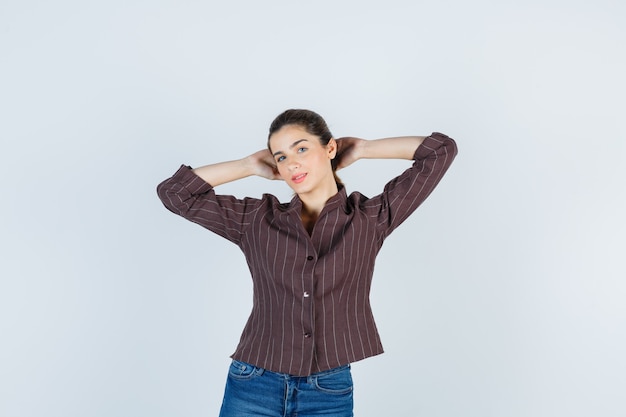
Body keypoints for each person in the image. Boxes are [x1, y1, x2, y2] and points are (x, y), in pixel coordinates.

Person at [157, 109, 457, 417]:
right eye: (281, 157)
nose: (292, 163)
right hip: (252, 384)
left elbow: (440, 151)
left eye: (301, 148)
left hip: (327, 392)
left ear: (329, 148)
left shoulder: (370, 219)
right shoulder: (256, 219)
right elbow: (174, 193)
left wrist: (363, 148)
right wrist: (248, 165)